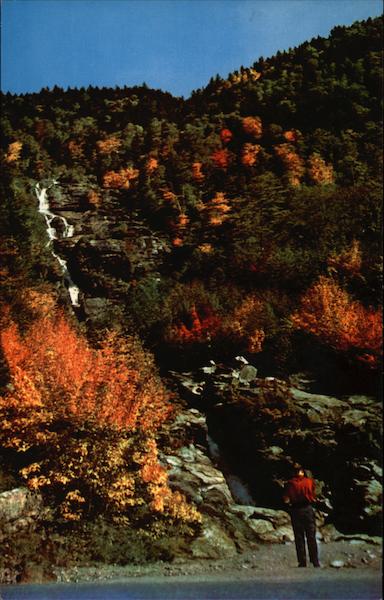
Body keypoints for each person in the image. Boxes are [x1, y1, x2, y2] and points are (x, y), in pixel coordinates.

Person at [283, 463, 320, 568]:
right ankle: (315, 560)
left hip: (296, 510)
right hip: (308, 509)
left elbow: (286, 499)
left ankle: (302, 561)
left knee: (299, 537)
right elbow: (313, 495)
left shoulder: (290, 484)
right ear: (302, 472)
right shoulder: (309, 482)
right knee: (311, 536)